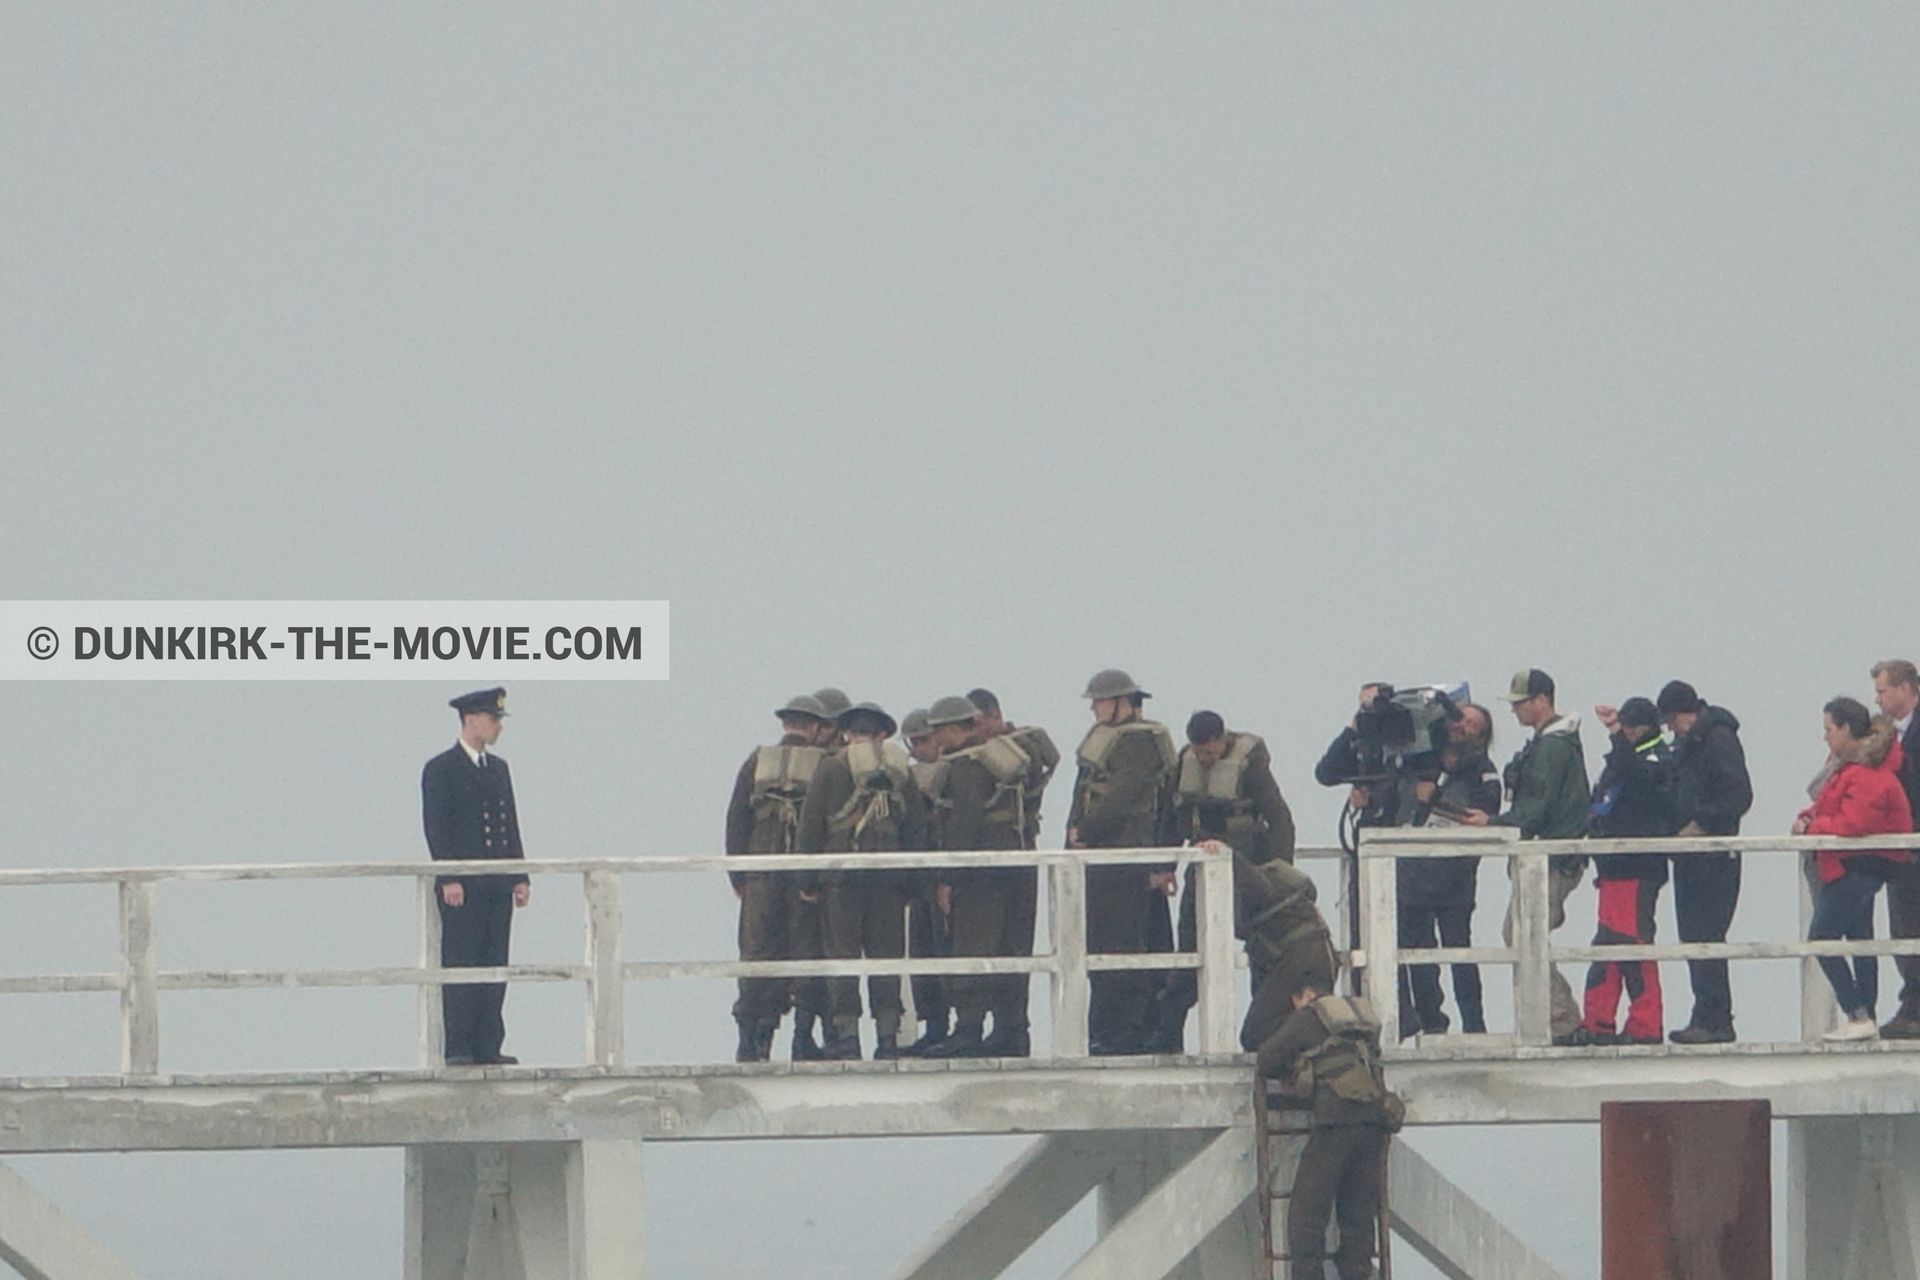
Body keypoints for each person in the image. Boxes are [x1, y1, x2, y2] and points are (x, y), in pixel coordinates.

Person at [1150, 711, 1298, 1051]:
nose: (1206, 758)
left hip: (1250, 867)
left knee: (1262, 951)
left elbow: (1279, 817)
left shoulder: (1251, 764)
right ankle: (1167, 1036)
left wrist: (1280, 871)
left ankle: (1265, 1035)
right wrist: (1165, 865)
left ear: (1221, 739)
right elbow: (1171, 819)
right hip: (1202, 868)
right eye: (1200, 751)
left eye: (1211, 750)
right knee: (1189, 952)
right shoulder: (1183, 764)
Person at [1462, 669, 1590, 1045]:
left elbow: (1538, 806)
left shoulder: (1552, 747)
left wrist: (1495, 822)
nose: (1515, 710)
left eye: (1520, 703)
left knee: (1522, 934)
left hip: (1550, 857)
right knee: (1521, 933)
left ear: (1541, 701)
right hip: (1547, 856)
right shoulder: (1553, 743)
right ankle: (1553, 1019)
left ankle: (1561, 1020)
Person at [796, 702, 927, 1060]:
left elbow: (811, 828)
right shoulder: (900, 769)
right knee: (885, 958)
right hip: (888, 878)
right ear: (882, 734)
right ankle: (887, 1038)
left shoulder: (831, 767)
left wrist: (807, 881)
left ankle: (848, 1039)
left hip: (841, 877)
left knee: (843, 957)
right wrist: (913, 885)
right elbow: (916, 828)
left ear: (847, 733)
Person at [1253, 983, 1399, 1280]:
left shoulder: (1309, 1016)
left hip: (1336, 1123)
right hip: (1374, 1123)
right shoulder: (1359, 1017)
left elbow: (1266, 1059)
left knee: (1306, 1216)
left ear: (1303, 994)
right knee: (1357, 1217)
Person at [1067, 669, 1177, 1055]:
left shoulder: (1138, 742)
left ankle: (1128, 1028)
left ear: (1122, 703)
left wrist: (1086, 832)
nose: (1095, 707)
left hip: (1125, 857)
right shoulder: (1110, 739)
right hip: (1102, 860)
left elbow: (1123, 796)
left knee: (1124, 944)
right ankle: (1107, 1029)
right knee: (1102, 944)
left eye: (1100, 700)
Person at [421, 687, 532, 1067]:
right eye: (492, 718)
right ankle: (460, 1047)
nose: (498, 726)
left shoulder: (499, 769)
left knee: (495, 964)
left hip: (496, 885)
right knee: (462, 963)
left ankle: (489, 1044)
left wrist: (520, 874)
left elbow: (509, 824)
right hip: (463, 888)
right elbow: (437, 828)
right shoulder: (442, 768)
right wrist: (449, 876)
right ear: (471, 719)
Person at [1794, 696, 1914, 1042]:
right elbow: (1828, 808)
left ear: (1847, 729)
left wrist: (1813, 828)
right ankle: (1866, 1017)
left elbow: (1853, 822)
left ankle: (1859, 1015)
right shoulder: (1855, 769)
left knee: (1823, 940)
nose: (1826, 737)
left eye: (1829, 729)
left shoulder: (1867, 773)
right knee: (1860, 940)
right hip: (1857, 868)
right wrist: (1807, 817)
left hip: (1859, 867)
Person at [923, 695, 1033, 1057]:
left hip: (979, 874)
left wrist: (946, 876)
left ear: (956, 728)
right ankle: (1012, 1030)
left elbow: (963, 822)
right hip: (1013, 863)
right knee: (1010, 948)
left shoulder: (966, 766)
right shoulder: (996, 758)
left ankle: (968, 1030)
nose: (936, 739)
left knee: (972, 945)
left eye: (939, 731)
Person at [724, 694, 831, 1062]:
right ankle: (802, 1039)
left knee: (757, 954)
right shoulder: (826, 763)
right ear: (815, 727)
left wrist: (738, 874)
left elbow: (736, 819)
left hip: (760, 872)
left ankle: (752, 1042)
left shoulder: (757, 761)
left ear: (786, 724)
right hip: (802, 875)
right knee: (805, 953)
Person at [1572, 697, 1677, 1047]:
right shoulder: (1627, 758)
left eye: (1631, 726)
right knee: (1608, 944)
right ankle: (1598, 1021)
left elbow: (1639, 778)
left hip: (1636, 867)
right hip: (1614, 867)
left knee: (1632, 944)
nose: (1627, 732)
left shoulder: (1656, 757)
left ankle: (1646, 1024)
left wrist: (1616, 736)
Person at [1396, 704, 1501, 1037]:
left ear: (1482, 735)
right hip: (1412, 877)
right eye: (1459, 718)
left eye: (1472, 724)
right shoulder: (1419, 761)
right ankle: (1432, 1024)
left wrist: (1436, 797)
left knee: (1460, 953)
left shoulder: (1484, 771)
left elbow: (1483, 815)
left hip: (1454, 879)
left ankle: (1474, 1027)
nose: (1461, 726)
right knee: (1419, 958)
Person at [1658, 680, 1754, 1044]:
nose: (1671, 729)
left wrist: (1701, 823)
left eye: (1671, 721)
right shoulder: (1694, 742)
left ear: (1685, 713)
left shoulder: (1717, 738)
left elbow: (1739, 794)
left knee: (1706, 935)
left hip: (1714, 855)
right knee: (1693, 936)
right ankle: (1706, 1014)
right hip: (1692, 856)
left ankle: (1716, 1019)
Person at [966, 688, 1059, 1053]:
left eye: (977, 722)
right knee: (988, 943)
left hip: (1014, 854)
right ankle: (1001, 1027)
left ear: (993, 716)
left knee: (1014, 943)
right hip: (992, 858)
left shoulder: (1021, 751)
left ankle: (1013, 1028)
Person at [1237, 852, 1340, 1055]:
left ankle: (1311, 1028)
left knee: (1254, 1034)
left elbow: (1244, 873)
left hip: (1301, 958)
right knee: (1263, 1029)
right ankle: (1315, 1035)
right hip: (1313, 954)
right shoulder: (1279, 881)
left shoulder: (1260, 885)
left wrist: (1226, 854)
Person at [1869, 660, 1920, 1039]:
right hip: (1900, 852)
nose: (1877, 698)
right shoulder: (1885, 735)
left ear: (1905, 689)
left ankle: (1915, 1008)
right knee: (1903, 927)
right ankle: (1912, 1003)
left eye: (1883, 690)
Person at [899, 709, 954, 1055]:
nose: (918, 749)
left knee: (948, 948)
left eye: (922, 740)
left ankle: (958, 1027)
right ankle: (933, 1027)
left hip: (948, 872)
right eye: (912, 743)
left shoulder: (958, 771)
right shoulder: (907, 777)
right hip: (920, 873)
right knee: (921, 950)